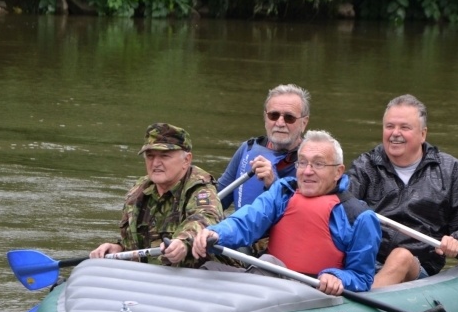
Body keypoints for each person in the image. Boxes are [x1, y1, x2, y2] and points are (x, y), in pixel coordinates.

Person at [193, 130, 381, 296]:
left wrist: (337, 277)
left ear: (338, 172)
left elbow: (362, 277)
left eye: (318, 164)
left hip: (313, 294)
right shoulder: (283, 192)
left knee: (267, 262)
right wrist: (217, 233)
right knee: (207, 269)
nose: (307, 171)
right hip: (270, 281)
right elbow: (248, 220)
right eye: (303, 163)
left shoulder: (359, 217)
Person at [347, 94, 458, 288]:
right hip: (367, 261)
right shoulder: (365, 166)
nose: (395, 133)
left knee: (401, 257)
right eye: (389, 126)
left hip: (419, 268)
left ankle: (364, 300)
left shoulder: (450, 170)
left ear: (423, 134)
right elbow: (341, 212)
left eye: (404, 127)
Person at [90, 123, 223, 268]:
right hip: (149, 274)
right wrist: (118, 248)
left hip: (197, 273)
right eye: (150, 156)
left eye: (164, 156)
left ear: (186, 160)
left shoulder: (201, 189)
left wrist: (182, 242)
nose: (155, 163)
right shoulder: (138, 192)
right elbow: (136, 244)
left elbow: (205, 219)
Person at [216, 83, 311, 210]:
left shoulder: (313, 162)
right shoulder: (247, 149)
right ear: (265, 118)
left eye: (289, 117)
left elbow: (307, 214)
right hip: (241, 223)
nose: (280, 123)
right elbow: (217, 200)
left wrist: (273, 184)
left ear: (304, 123)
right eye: (273, 115)